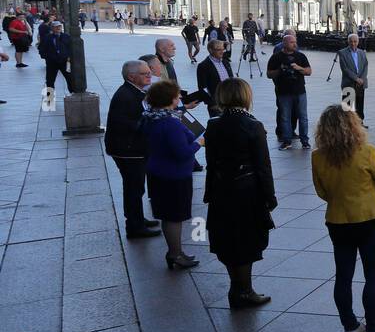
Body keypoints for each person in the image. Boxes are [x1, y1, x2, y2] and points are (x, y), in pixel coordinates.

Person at [312, 105, 375, 332]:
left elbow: (322, 191)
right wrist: (374, 200)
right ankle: (374, 329)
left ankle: (350, 327)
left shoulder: (318, 157)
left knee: (343, 275)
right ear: (353, 126)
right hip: (369, 219)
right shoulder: (366, 152)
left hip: (338, 221)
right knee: (373, 275)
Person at [204, 79, 276, 308]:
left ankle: (236, 287)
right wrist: (269, 197)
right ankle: (244, 290)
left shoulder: (213, 124)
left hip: (221, 189)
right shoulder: (252, 125)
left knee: (227, 238)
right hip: (247, 191)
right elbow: (263, 165)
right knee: (246, 240)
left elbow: (211, 162)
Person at [141, 81, 202, 270]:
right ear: (170, 99)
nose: (180, 98)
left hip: (158, 171)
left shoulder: (151, 117)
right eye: (178, 96)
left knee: (169, 215)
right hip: (173, 175)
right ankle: (175, 253)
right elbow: (183, 152)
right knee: (174, 216)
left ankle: (176, 251)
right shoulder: (170, 123)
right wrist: (200, 142)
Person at [106, 60, 161, 239]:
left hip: (132, 148)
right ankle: (134, 226)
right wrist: (150, 122)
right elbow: (124, 123)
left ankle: (137, 219)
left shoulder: (134, 92)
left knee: (136, 187)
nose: (149, 75)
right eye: (145, 74)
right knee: (133, 188)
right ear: (131, 77)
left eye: (149, 72)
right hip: (128, 150)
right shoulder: (125, 95)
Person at [267, 31, 313, 150]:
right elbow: (269, 74)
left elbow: (309, 71)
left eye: (295, 42)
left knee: (303, 117)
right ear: (284, 43)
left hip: (300, 92)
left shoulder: (300, 56)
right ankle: (287, 140)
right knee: (285, 117)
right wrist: (279, 70)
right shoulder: (276, 57)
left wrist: (299, 68)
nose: (295, 44)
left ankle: (305, 141)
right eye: (292, 42)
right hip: (283, 92)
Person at [196, 39, 233, 119]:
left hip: (230, 102)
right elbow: (203, 88)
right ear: (210, 50)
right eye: (218, 50)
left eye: (223, 49)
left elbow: (232, 81)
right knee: (219, 128)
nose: (222, 52)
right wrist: (212, 103)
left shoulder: (225, 62)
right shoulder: (203, 66)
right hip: (216, 105)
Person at [337, 33, 369, 126]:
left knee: (360, 104)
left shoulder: (362, 52)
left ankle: (360, 122)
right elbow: (345, 69)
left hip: (361, 83)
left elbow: (365, 66)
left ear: (358, 42)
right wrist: (356, 78)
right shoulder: (342, 53)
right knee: (348, 106)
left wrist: (362, 78)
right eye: (351, 41)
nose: (353, 43)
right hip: (349, 83)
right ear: (348, 42)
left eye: (355, 41)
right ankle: (347, 124)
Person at [38, 21, 73, 93]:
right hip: (52, 62)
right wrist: (46, 57)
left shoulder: (66, 36)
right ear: (52, 28)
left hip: (64, 62)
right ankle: (50, 98)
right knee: (50, 80)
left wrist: (69, 57)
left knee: (70, 78)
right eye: (56, 27)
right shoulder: (47, 37)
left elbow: (71, 48)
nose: (58, 28)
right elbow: (41, 48)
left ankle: (72, 94)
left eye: (59, 26)